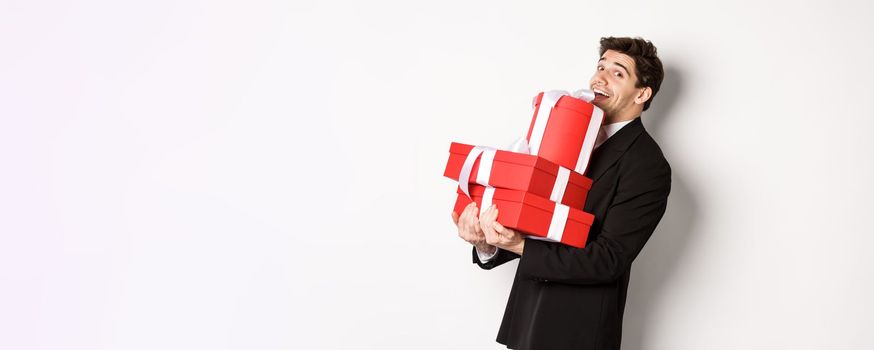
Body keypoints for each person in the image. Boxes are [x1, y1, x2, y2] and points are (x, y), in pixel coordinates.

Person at [452, 36, 671, 350]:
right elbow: (537, 222)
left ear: (642, 93)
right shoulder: (568, 133)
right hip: (526, 320)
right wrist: (487, 242)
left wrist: (518, 244)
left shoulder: (647, 164)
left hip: (576, 331)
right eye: (600, 67)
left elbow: (608, 260)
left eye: (617, 73)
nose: (600, 78)